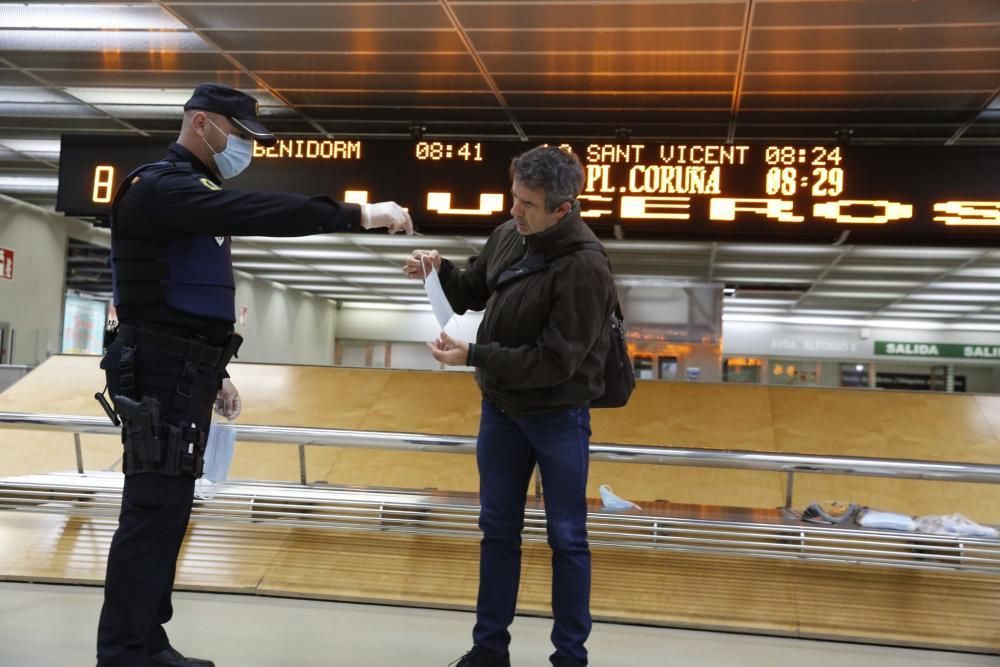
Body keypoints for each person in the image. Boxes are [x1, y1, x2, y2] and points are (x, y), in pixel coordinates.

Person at [96, 82, 412, 667]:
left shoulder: (190, 192)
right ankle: (123, 653)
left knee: (170, 512)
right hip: (159, 370)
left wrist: (215, 372)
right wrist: (355, 213)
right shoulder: (161, 188)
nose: (245, 146)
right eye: (239, 134)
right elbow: (254, 210)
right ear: (200, 124)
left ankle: (146, 641)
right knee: (152, 512)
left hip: (182, 368)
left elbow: (187, 295)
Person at [403, 146, 616, 667]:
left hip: (557, 417)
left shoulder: (585, 268)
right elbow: (475, 288)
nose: (515, 210)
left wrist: (474, 355)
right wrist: (437, 271)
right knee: (497, 529)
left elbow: (557, 361)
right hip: (500, 411)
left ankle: (570, 656)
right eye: (514, 197)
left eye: (529, 204)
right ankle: (488, 649)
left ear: (563, 209)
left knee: (567, 537)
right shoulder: (508, 234)